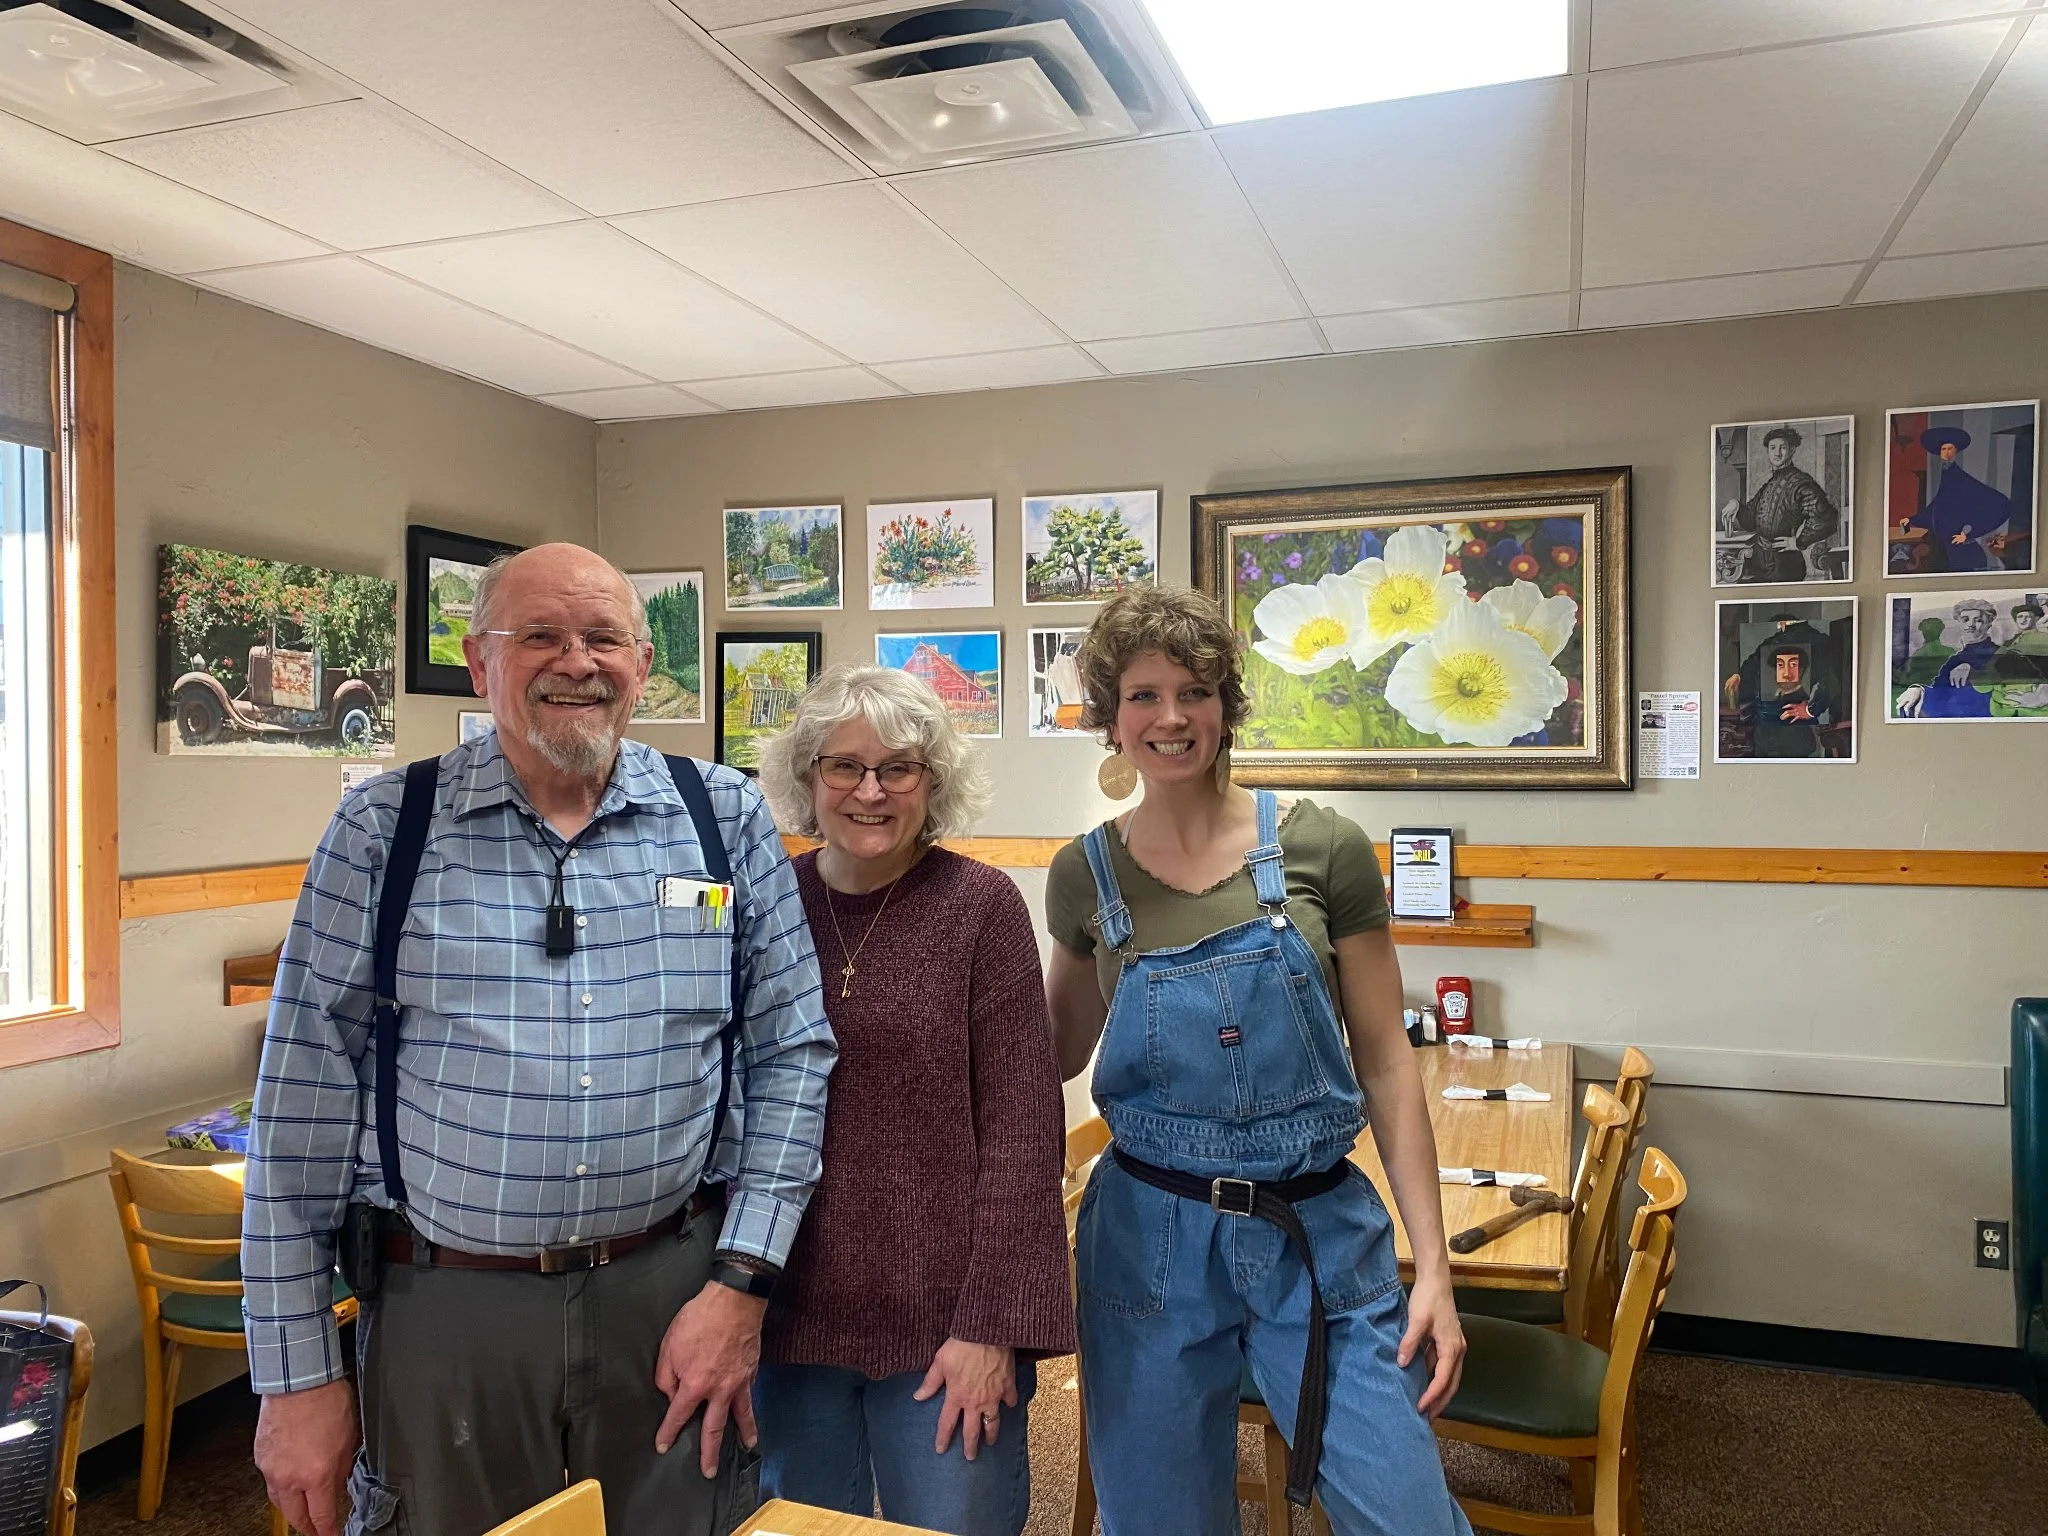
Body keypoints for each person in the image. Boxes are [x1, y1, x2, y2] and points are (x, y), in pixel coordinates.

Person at [242, 543, 835, 1536]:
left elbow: (792, 1054)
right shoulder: (385, 829)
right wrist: (295, 1376)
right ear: (479, 662)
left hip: (673, 1296)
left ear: (643, 665)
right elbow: (300, 1104)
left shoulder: (720, 817)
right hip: (450, 1311)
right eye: (541, 636)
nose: (577, 662)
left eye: (603, 637)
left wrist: (741, 1287)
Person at [1042, 587, 1471, 1536]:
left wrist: (1434, 1270)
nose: (1171, 717)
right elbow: (1052, 1056)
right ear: (1111, 719)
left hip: (1316, 1232)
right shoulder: (1084, 875)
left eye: (1194, 691)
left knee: (1408, 1517)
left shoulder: (1325, 848)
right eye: (1144, 695)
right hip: (1147, 1240)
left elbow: (1388, 1065)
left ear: (1226, 706)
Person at [752, 666, 1072, 1536]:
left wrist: (993, 1326)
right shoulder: (770, 903)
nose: (870, 791)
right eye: (844, 766)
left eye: (898, 768)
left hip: (946, 1329)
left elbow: (1023, 1134)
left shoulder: (981, 907)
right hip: (789, 1317)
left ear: (932, 782)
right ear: (807, 775)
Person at [1726, 425, 1842, 582]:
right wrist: (1737, 506)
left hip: (1786, 563)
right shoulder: (1769, 484)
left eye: (1783, 447)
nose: (1777, 453)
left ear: (1792, 450)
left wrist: (1799, 542)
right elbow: (1750, 521)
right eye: (1773, 448)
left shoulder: (1801, 482)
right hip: (1760, 560)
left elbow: (1827, 519)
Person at [1898, 427, 2012, 573]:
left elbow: (2002, 505)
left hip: (1964, 553)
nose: (1946, 453)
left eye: (1950, 448)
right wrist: (1911, 520)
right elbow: (1937, 508)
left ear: (1956, 451)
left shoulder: (1961, 478)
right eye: (1943, 449)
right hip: (1946, 549)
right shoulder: (1946, 475)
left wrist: (1968, 534)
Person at [1896, 596, 1999, 718]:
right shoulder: (1956, 658)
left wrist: (1973, 671)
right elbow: (1940, 690)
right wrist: (1919, 690)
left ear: (1988, 624)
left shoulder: (1999, 652)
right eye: (1965, 620)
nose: (1970, 624)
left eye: (1978, 620)